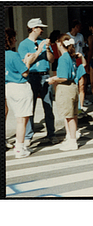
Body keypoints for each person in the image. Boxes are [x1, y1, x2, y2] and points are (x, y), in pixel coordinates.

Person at [18, 18, 58, 147]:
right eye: (40, 28)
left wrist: (46, 49)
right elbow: (25, 61)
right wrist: (38, 51)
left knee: (48, 106)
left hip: (45, 75)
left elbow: (51, 60)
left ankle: (51, 134)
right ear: (34, 28)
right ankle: (28, 135)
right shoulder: (24, 44)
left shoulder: (43, 42)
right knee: (30, 108)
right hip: (32, 77)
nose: (42, 30)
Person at [5, 28, 43, 158]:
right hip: (20, 87)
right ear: (9, 40)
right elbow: (25, 72)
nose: (15, 40)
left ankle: (19, 146)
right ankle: (20, 148)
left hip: (9, 87)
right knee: (22, 120)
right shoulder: (12, 54)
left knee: (19, 118)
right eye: (13, 38)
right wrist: (27, 61)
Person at [48, 34, 80, 151]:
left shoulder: (63, 58)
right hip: (73, 87)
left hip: (65, 88)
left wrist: (53, 79)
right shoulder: (71, 56)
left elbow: (63, 77)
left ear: (60, 43)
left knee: (69, 116)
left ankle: (72, 141)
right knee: (73, 115)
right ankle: (71, 137)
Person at [67, 20, 91, 114]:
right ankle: (73, 105)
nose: (80, 29)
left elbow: (84, 47)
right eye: (78, 27)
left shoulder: (80, 36)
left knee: (82, 84)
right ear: (74, 27)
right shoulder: (67, 36)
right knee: (73, 84)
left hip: (80, 60)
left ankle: (81, 106)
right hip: (72, 61)